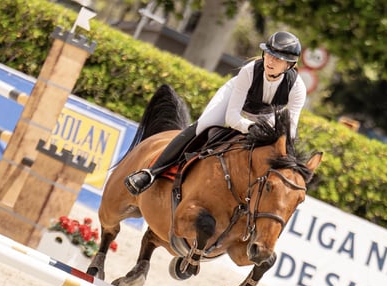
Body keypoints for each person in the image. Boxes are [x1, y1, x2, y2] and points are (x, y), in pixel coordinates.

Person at [125, 31, 307, 195]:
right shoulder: (249, 71)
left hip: (265, 116)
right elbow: (232, 118)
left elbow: (290, 131)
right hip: (235, 102)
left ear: (290, 64)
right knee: (203, 125)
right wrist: (250, 127)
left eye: (278, 58)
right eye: (269, 54)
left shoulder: (297, 88)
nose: (270, 60)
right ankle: (152, 172)